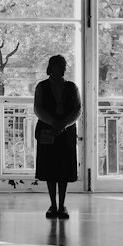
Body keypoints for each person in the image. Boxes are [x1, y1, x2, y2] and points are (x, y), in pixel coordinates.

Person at [33, 54, 81, 219]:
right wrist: (54, 123)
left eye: (64, 65)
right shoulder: (41, 87)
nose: (63, 68)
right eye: (60, 65)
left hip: (66, 133)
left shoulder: (72, 87)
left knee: (64, 169)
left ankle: (62, 205)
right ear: (51, 68)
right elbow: (38, 109)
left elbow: (77, 109)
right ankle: (53, 204)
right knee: (50, 168)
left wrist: (64, 124)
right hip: (48, 131)